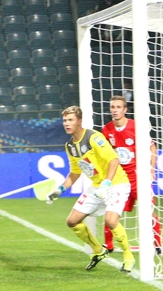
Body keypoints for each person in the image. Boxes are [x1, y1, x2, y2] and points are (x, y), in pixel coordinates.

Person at [45, 106, 136, 273]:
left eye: (70, 120)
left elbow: (114, 160)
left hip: (116, 183)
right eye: (65, 120)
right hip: (96, 186)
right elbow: (75, 173)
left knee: (111, 220)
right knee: (72, 221)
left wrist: (107, 184)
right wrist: (59, 190)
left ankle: (128, 256)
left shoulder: (94, 138)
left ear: (79, 121)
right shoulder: (70, 146)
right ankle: (98, 251)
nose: (67, 123)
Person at [102, 96, 163, 255]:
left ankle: (158, 245)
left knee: (149, 210)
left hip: (138, 178)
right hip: (120, 179)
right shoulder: (107, 130)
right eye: (112, 107)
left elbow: (152, 148)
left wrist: (151, 169)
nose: (114, 110)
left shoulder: (136, 127)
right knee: (111, 212)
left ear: (125, 110)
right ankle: (108, 245)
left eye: (118, 107)